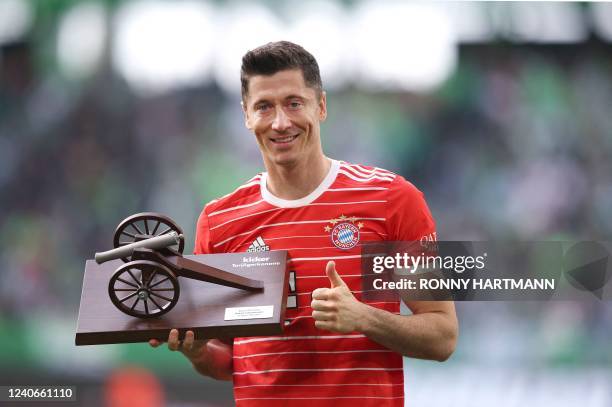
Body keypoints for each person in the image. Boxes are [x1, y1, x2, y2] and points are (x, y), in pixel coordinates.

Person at [150, 41, 458, 406]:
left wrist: (364, 318)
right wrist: (198, 351)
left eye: (294, 103)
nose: (280, 122)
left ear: (321, 106)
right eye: (264, 107)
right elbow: (232, 360)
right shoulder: (220, 221)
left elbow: (442, 335)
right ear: (247, 116)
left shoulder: (391, 200)